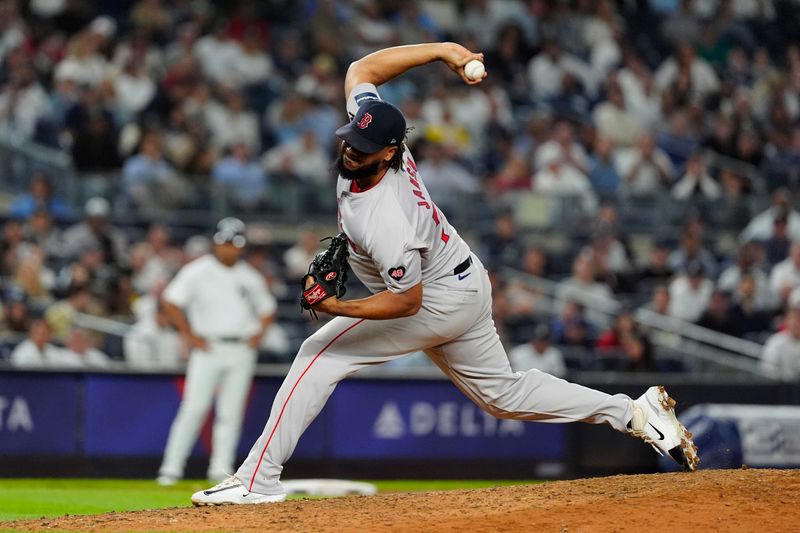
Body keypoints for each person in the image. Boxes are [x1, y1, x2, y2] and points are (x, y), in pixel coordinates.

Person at [191, 42, 698, 506]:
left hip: (433, 298)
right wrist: (442, 51)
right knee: (504, 395)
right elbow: (361, 69)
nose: (349, 149)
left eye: (361, 147)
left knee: (319, 352)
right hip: (462, 279)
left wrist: (338, 307)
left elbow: (406, 302)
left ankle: (257, 478)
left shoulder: (386, 217)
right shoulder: (378, 134)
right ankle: (633, 413)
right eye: (349, 139)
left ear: (389, 153)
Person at [156, 217, 278, 486]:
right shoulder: (197, 270)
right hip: (208, 347)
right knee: (194, 408)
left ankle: (219, 470)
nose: (230, 249)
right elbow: (171, 301)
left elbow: (268, 309)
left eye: (235, 244)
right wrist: (188, 335)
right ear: (216, 243)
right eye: (225, 243)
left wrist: (258, 335)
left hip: (241, 349)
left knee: (230, 413)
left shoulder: (249, 275)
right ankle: (171, 468)